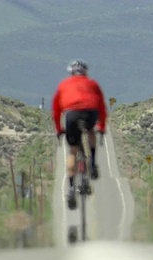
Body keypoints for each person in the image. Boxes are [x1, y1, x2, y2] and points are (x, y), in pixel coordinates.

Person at [51, 59, 108, 210]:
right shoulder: (93, 83)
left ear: (71, 72)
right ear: (85, 72)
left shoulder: (63, 84)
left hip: (71, 115)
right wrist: (101, 127)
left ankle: (71, 189)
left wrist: (58, 129)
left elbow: (56, 110)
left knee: (73, 151)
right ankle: (93, 162)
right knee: (90, 132)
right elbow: (102, 106)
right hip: (90, 113)